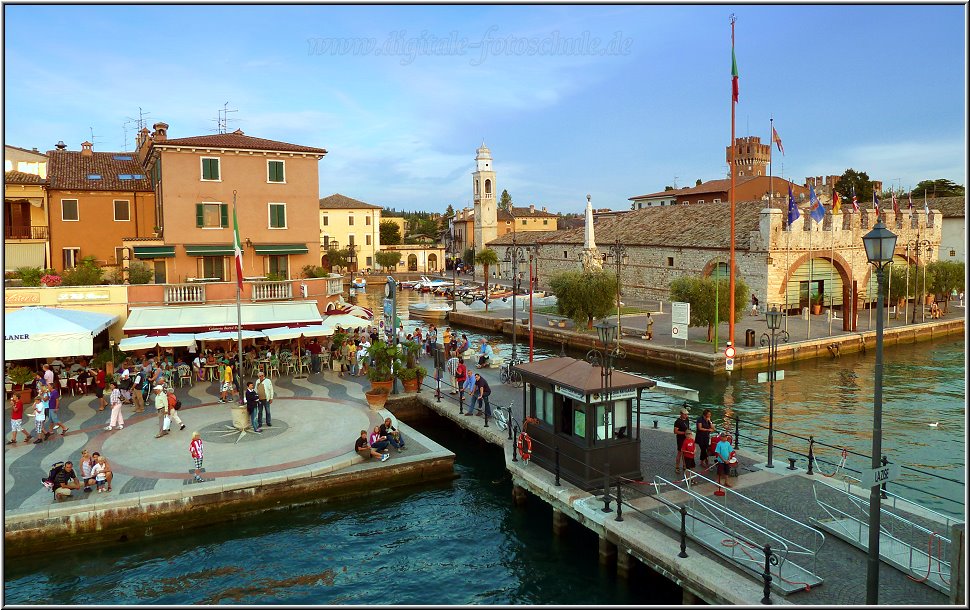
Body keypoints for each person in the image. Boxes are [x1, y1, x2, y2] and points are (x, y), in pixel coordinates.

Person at [673, 407, 690, 473]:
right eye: (685, 414)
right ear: (681, 414)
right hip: (680, 439)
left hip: (686, 438)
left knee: (685, 452)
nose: (686, 416)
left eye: (686, 414)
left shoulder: (687, 419)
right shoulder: (678, 421)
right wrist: (684, 433)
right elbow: (675, 431)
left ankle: (684, 465)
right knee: (680, 452)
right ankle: (677, 466)